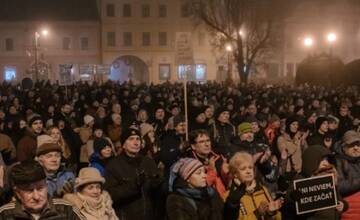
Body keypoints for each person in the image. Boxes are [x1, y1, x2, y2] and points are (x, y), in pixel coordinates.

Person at [104, 128, 163, 220]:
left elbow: (157, 195)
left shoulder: (148, 162)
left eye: (138, 139)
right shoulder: (113, 165)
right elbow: (110, 195)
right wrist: (134, 185)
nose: (136, 142)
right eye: (131, 139)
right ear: (123, 144)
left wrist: (158, 183)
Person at [0, 160, 85, 219]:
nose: (36, 197)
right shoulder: (5, 214)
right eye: (29, 191)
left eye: (40, 188)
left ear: (46, 186)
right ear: (17, 192)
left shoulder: (66, 209)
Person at [224, 152, 282, 220]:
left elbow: (276, 218)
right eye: (243, 169)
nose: (248, 171)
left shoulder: (262, 189)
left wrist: (271, 213)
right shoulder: (230, 196)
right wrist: (257, 214)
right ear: (235, 174)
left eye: (250, 168)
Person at [183, 129, 229, 198]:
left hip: (222, 197)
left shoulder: (218, 157)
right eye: (201, 142)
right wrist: (211, 170)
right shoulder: (189, 163)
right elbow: (198, 186)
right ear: (193, 146)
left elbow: (228, 182)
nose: (207, 144)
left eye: (208, 140)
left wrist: (227, 173)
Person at [335, 130, 360, 220]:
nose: (356, 148)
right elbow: (339, 186)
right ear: (344, 147)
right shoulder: (338, 162)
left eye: (358, 144)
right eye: (351, 145)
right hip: (349, 210)